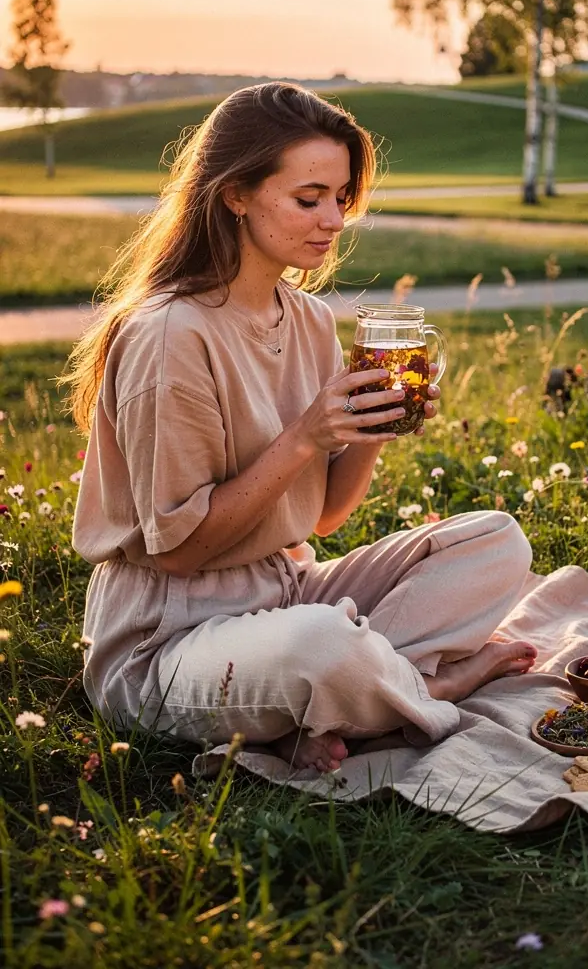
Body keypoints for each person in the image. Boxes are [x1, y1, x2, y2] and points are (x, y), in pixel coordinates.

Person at [67, 83, 536, 775]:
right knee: (318, 642)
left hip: (285, 589)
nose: (335, 220)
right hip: (165, 642)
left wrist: (372, 420)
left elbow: (323, 516)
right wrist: (307, 436)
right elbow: (178, 554)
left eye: (342, 198)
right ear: (236, 195)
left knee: (496, 541)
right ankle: (426, 690)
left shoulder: (310, 319)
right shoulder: (171, 334)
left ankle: (330, 702)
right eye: (309, 197)